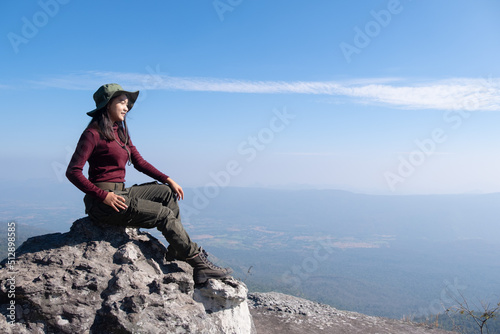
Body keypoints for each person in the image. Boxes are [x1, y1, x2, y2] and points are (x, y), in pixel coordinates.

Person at [66, 83, 232, 284]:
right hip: (103, 202)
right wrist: (104, 196)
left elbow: (139, 162)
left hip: (122, 193)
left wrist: (168, 179)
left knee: (165, 193)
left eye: (127, 104)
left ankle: (177, 250)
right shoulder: (92, 134)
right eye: (122, 102)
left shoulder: (120, 132)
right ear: (107, 104)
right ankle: (198, 263)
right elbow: (73, 172)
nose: (126, 108)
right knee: (163, 214)